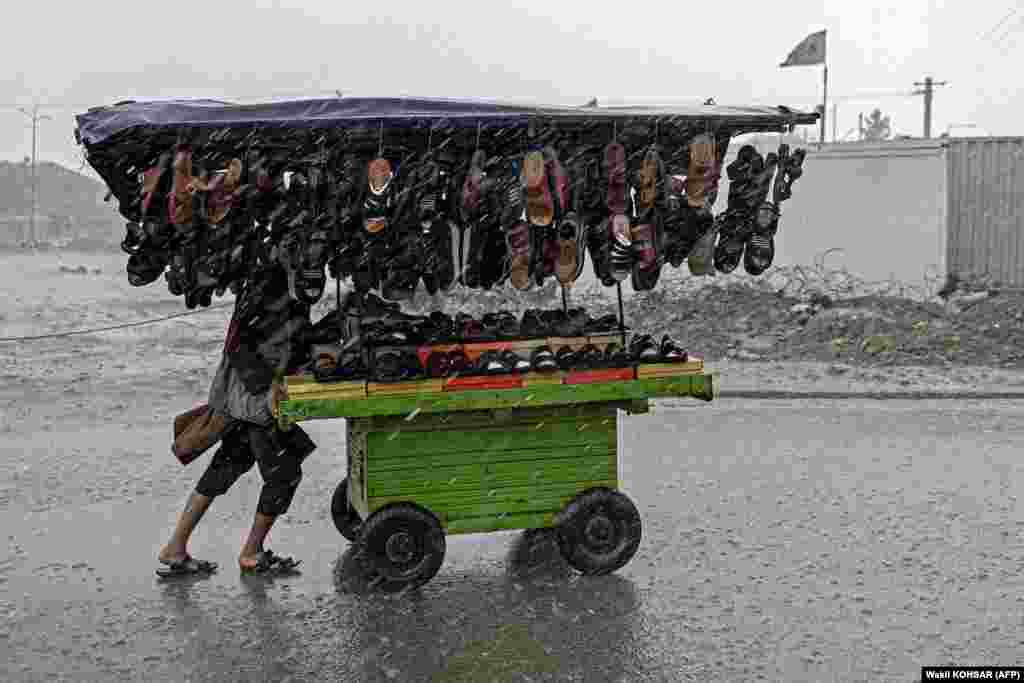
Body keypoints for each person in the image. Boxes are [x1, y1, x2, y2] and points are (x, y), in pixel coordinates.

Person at [157, 263, 316, 577]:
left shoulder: (288, 285)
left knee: (225, 468)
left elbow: (291, 341)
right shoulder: (269, 284)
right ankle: (251, 553)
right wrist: (268, 386)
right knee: (283, 474)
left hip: (244, 402)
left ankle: (175, 547)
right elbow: (238, 347)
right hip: (255, 402)